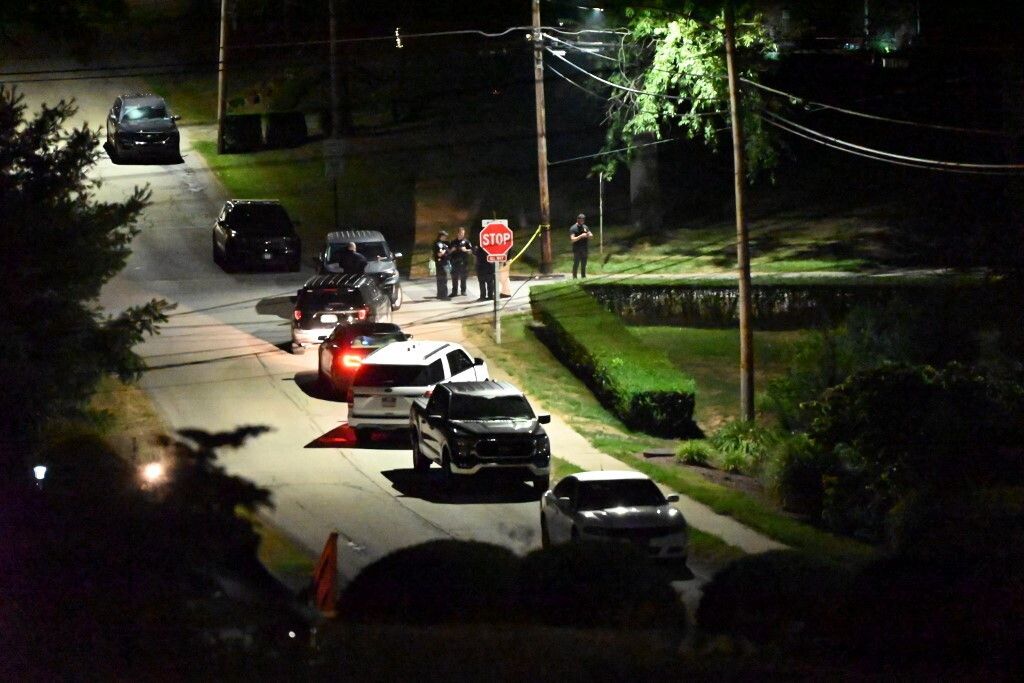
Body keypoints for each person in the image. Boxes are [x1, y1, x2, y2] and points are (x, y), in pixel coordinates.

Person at [447, 227, 472, 298]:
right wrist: (452, 250)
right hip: (454, 262)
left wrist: (466, 250)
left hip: (463, 262)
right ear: (458, 233)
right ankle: (454, 292)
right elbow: (448, 252)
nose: (462, 235)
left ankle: (463, 291)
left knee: (463, 277)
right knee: (454, 278)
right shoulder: (453, 242)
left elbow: (471, 251)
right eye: (461, 233)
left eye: (463, 233)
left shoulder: (466, 242)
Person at [569, 213, 592, 279]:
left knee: (584, 263)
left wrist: (589, 235)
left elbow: (591, 235)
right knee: (576, 263)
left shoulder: (585, 227)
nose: (582, 221)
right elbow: (572, 239)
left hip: (584, 248)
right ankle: (574, 277)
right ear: (578, 219)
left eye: (583, 220)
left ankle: (583, 276)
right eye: (581, 219)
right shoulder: (573, 228)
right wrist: (581, 236)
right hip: (577, 248)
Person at [433, 229, 451, 299]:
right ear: (441, 236)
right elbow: (439, 254)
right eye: (444, 236)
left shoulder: (441, 243)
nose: (445, 238)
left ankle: (440, 294)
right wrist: (444, 250)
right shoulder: (438, 244)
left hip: (442, 263)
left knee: (440, 279)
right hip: (441, 263)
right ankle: (444, 295)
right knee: (443, 279)